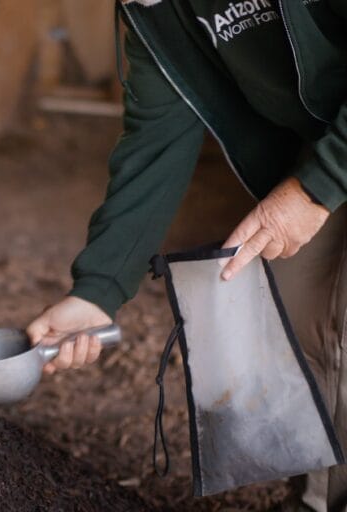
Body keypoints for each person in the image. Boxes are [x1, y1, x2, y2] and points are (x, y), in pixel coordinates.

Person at [26, 1, 347, 510]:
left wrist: (319, 188)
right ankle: (316, 498)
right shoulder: (151, 7)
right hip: (319, 145)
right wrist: (99, 290)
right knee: (302, 324)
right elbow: (155, 143)